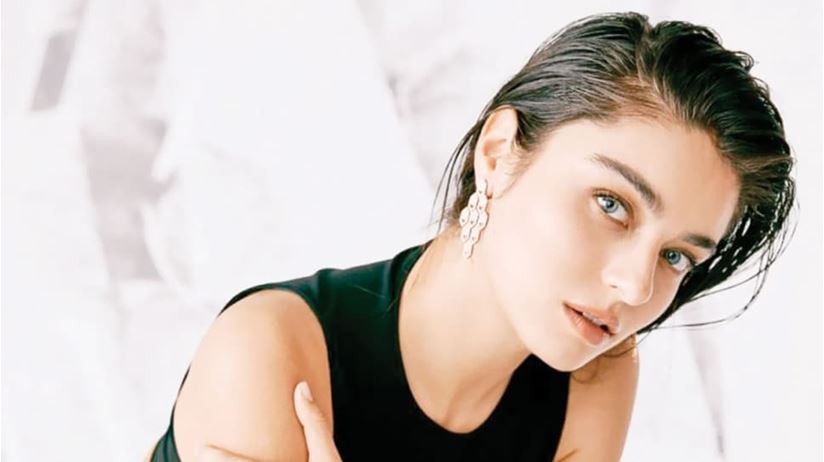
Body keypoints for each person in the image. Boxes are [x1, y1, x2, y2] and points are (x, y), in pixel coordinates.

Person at [147, 11, 796, 462]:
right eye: (611, 204)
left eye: (676, 255)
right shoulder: (271, 353)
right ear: (498, 154)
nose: (634, 286)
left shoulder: (595, 380)